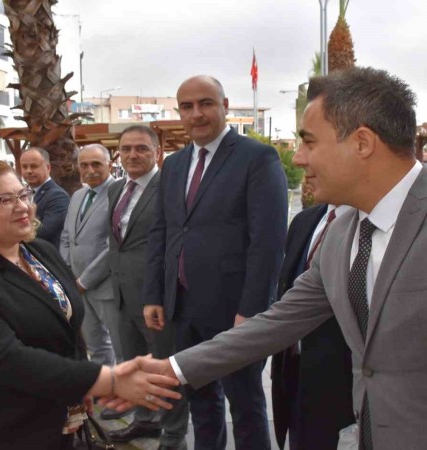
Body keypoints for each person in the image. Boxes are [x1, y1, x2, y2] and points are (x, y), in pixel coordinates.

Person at [129, 67, 427, 450]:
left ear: (362, 143)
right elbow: (277, 323)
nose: (298, 158)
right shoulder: (342, 234)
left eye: (309, 142)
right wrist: (170, 369)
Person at [0, 161, 181, 449]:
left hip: (52, 415)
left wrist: (77, 388)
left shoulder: (39, 251)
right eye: (5, 200)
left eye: (23, 194)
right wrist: (106, 380)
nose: (23, 206)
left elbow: (68, 329)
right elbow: (4, 358)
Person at [143, 75, 288, 450]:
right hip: (182, 307)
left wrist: (252, 310)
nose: (197, 113)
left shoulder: (257, 158)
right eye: (187, 106)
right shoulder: (174, 165)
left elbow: (268, 242)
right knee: (201, 402)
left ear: (225, 106)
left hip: (234, 310)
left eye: (206, 103)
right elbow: (162, 231)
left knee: (246, 403)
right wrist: (155, 294)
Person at [107, 125, 189, 449]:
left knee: (165, 368)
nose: (132, 155)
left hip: (157, 298)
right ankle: (144, 421)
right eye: (126, 149)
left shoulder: (169, 188)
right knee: (133, 363)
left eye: (141, 148)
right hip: (122, 295)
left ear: (157, 152)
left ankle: (174, 434)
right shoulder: (116, 189)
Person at [271, 202, 354, 450]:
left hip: (340, 387)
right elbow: (286, 305)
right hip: (293, 373)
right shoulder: (304, 221)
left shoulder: (369, 226)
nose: (306, 185)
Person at [59, 145, 120, 370]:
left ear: (110, 165)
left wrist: (85, 281)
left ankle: (125, 390)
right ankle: (105, 388)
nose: (90, 170)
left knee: (121, 347)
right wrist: (68, 272)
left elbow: (114, 246)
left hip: (106, 287)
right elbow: (67, 236)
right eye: (84, 165)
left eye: (96, 164)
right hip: (77, 286)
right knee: (95, 347)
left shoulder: (119, 193)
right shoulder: (78, 196)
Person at [19, 147, 69, 248]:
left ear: (48, 168)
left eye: (34, 166)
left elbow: (44, 232)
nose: (28, 171)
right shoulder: (21, 194)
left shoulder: (58, 196)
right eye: (24, 167)